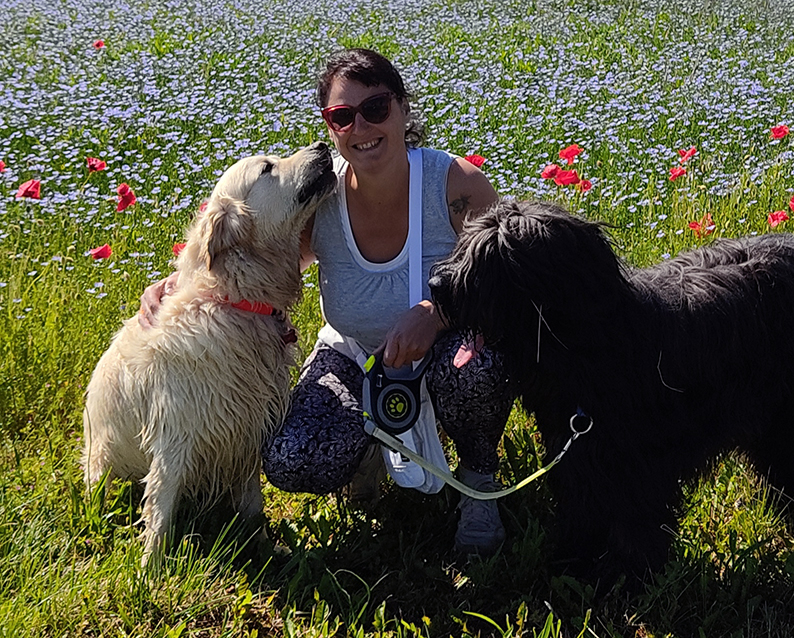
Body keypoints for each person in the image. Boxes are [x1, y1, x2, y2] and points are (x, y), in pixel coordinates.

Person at [140, 48, 514, 555]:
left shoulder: (456, 185)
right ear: (331, 127)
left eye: (376, 108)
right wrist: (171, 288)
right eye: (342, 116)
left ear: (403, 109)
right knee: (294, 457)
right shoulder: (320, 201)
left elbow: (505, 283)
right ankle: (367, 454)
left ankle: (479, 484)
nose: (361, 126)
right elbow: (252, 265)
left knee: (478, 366)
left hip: (445, 354)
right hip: (355, 356)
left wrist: (437, 313)